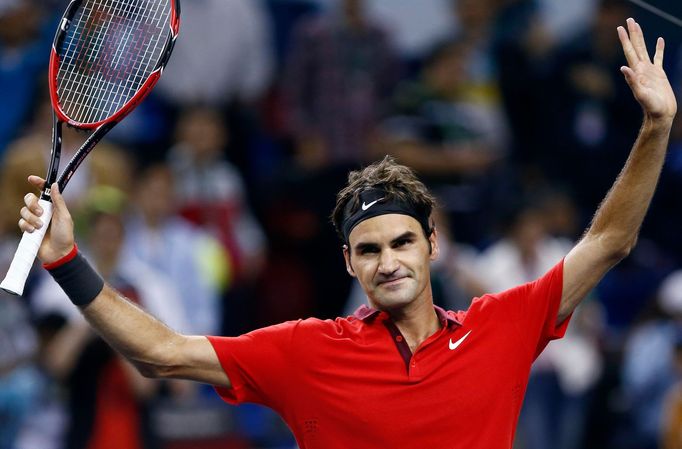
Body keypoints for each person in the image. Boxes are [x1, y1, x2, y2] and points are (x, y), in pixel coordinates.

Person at [13, 19, 676, 448]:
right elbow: (162, 351)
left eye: (402, 242)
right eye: (370, 249)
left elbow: (610, 241)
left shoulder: (501, 326)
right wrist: (67, 259)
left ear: (432, 244)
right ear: (350, 263)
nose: (389, 260)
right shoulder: (307, 349)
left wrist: (654, 127)